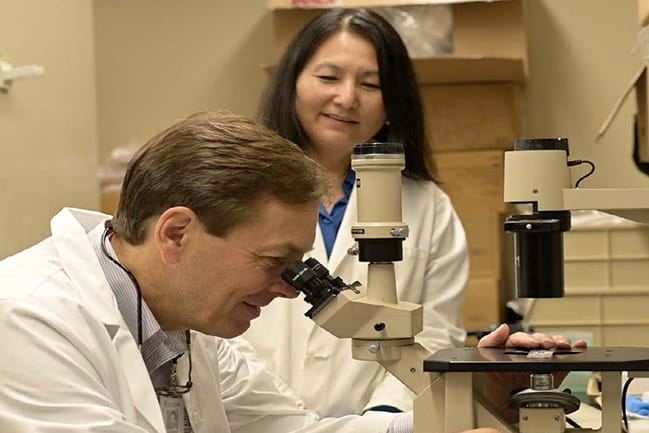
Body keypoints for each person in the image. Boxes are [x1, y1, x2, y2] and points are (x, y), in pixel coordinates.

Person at [0, 109, 539, 433]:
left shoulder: (181, 329)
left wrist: (472, 399)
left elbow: (297, 431)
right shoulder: (26, 319)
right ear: (176, 233)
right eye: (273, 261)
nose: (287, 288)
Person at [233, 7, 469, 418]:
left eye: (371, 84)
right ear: (292, 83)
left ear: (394, 102)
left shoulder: (427, 206)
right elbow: (213, 320)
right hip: (250, 417)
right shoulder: (235, 191)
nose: (346, 98)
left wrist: (384, 418)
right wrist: (277, 416)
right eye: (328, 77)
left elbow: (435, 330)